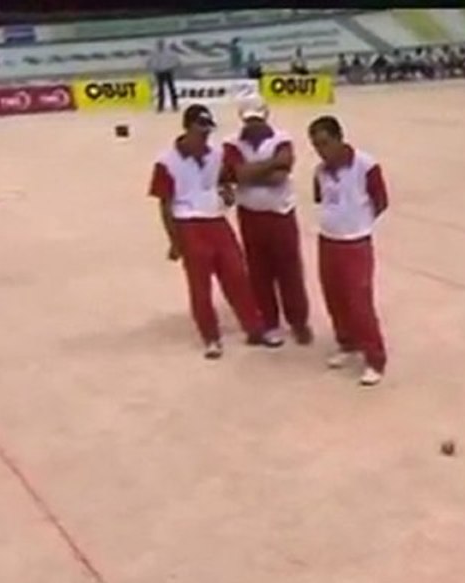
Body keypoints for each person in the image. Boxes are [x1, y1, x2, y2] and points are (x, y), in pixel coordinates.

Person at [148, 104, 277, 359]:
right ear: (188, 127)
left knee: (237, 276)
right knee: (200, 286)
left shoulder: (217, 154)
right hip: (188, 223)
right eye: (201, 130)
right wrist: (174, 241)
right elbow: (165, 204)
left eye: (208, 130)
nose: (205, 135)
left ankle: (254, 328)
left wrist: (227, 192)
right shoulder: (166, 161)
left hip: (216, 220)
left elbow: (224, 180)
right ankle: (211, 337)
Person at [223, 95, 313, 347]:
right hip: (250, 214)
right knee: (258, 271)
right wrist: (270, 165)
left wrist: (248, 172)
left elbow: (277, 177)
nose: (253, 125)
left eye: (256, 120)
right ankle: (269, 322)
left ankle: (298, 321)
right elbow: (242, 174)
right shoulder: (231, 143)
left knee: (290, 271)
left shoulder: (282, 138)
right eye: (250, 120)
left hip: (280, 213)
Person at [308, 116, 390, 386]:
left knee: (359, 302)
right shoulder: (320, 172)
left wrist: (360, 223)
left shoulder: (366, 165)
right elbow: (321, 200)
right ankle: (347, 343)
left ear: (339, 138)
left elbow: (381, 200)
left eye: (324, 143)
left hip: (355, 243)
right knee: (334, 297)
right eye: (315, 145)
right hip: (328, 241)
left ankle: (375, 358)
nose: (321, 151)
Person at [147, 39, 180, 113]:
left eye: (161, 44)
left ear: (164, 44)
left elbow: (176, 60)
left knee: (172, 89)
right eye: (159, 44)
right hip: (159, 72)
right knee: (161, 90)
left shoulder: (169, 52)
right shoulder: (154, 53)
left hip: (168, 71)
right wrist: (154, 69)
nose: (160, 45)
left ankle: (175, 105)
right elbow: (150, 62)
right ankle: (160, 106)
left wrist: (172, 67)